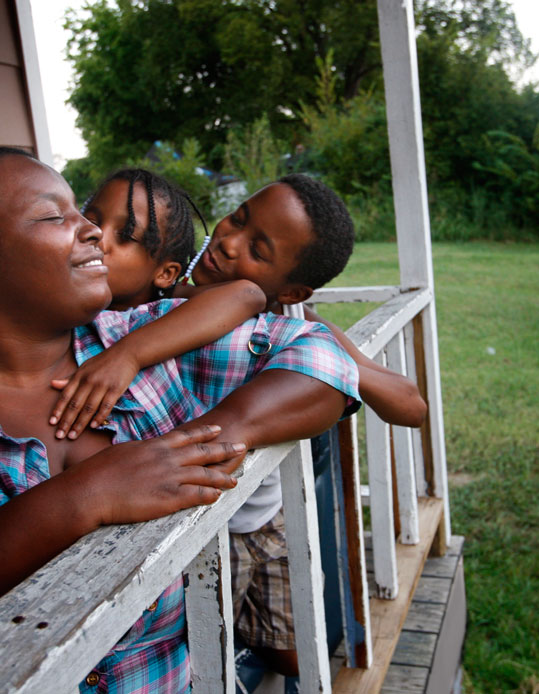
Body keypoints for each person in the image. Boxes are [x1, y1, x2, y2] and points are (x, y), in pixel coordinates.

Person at [0, 148, 360, 692]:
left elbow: (322, 360)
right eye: (54, 217)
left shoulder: (152, 346)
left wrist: (202, 442)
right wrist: (84, 498)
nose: (89, 230)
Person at [182, 175, 427, 675]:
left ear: (292, 290)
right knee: (203, 663)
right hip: (207, 534)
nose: (225, 241)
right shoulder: (166, 304)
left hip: (270, 520)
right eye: (239, 217)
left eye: (257, 248)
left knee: (297, 659)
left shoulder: (298, 325)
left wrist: (322, 360)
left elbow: (411, 405)